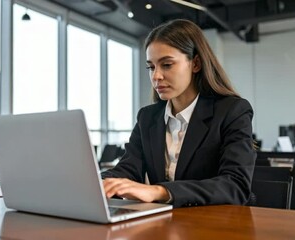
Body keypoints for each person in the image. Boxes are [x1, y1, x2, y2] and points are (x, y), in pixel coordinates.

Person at [102, 19, 256, 208]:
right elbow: (128, 169)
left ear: (196, 64)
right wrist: (97, 184)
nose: (156, 76)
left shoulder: (232, 111)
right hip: (168, 223)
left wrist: (160, 191)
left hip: (218, 224)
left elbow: (235, 185)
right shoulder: (147, 117)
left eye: (167, 65)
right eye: (151, 67)